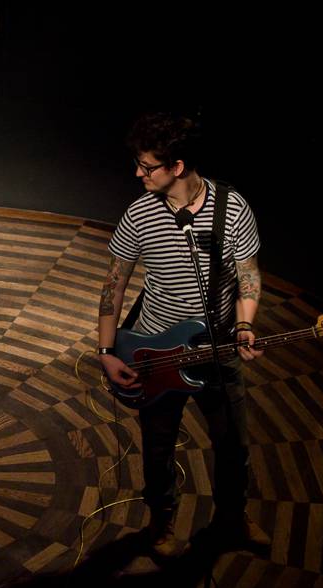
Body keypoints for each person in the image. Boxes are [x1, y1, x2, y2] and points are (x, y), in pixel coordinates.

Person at [97, 111, 271, 557]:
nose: (137, 173)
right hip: (154, 350)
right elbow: (113, 287)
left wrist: (246, 323)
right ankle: (162, 523)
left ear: (176, 167)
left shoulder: (232, 209)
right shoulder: (139, 213)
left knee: (234, 445)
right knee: (157, 448)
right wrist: (106, 350)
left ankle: (232, 517)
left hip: (217, 347)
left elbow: (248, 277)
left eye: (146, 165)